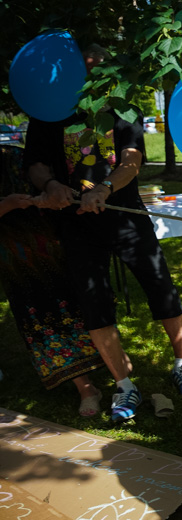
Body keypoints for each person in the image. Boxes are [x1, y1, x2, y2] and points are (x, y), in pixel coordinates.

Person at [24, 44, 182, 423]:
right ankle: (124, 384)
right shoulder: (46, 111)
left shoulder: (121, 106)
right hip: (74, 225)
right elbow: (35, 163)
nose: (92, 68)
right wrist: (52, 185)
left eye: (98, 63)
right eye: (85, 62)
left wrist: (105, 189)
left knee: (161, 286)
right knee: (93, 301)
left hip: (126, 218)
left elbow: (132, 159)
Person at [1, 145, 105, 416]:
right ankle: (85, 387)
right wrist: (7, 205)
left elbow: (60, 187)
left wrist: (50, 195)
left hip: (54, 241)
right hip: (14, 255)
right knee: (41, 316)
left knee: (80, 304)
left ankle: (113, 368)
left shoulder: (17, 156)